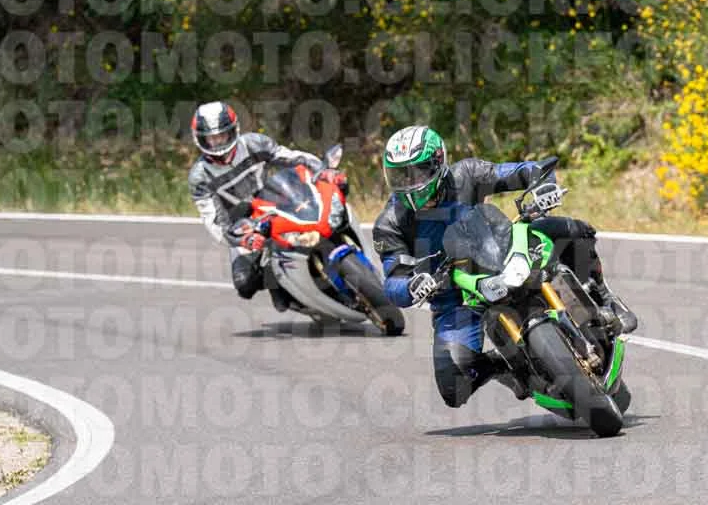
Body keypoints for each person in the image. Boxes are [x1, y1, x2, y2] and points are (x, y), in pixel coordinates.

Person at [372, 125, 638, 409]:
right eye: (400, 175)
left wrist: (542, 185)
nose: (409, 183)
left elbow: (523, 171)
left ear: (437, 163)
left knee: (571, 230)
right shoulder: (390, 223)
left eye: (416, 172)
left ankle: (603, 295)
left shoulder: (466, 174)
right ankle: (504, 366)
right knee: (453, 387)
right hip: (455, 297)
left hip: (499, 250)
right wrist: (412, 285)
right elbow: (393, 280)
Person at [187, 101, 344, 309]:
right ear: (200, 139)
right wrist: (241, 239)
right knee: (245, 284)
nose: (217, 143)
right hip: (242, 223)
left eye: (222, 135)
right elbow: (213, 221)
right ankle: (282, 289)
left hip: (275, 200)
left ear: (233, 130)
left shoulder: (254, 143)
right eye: (211, 138)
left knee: (326, 208)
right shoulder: (199, 177)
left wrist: (322, 169)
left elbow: (292, 157)